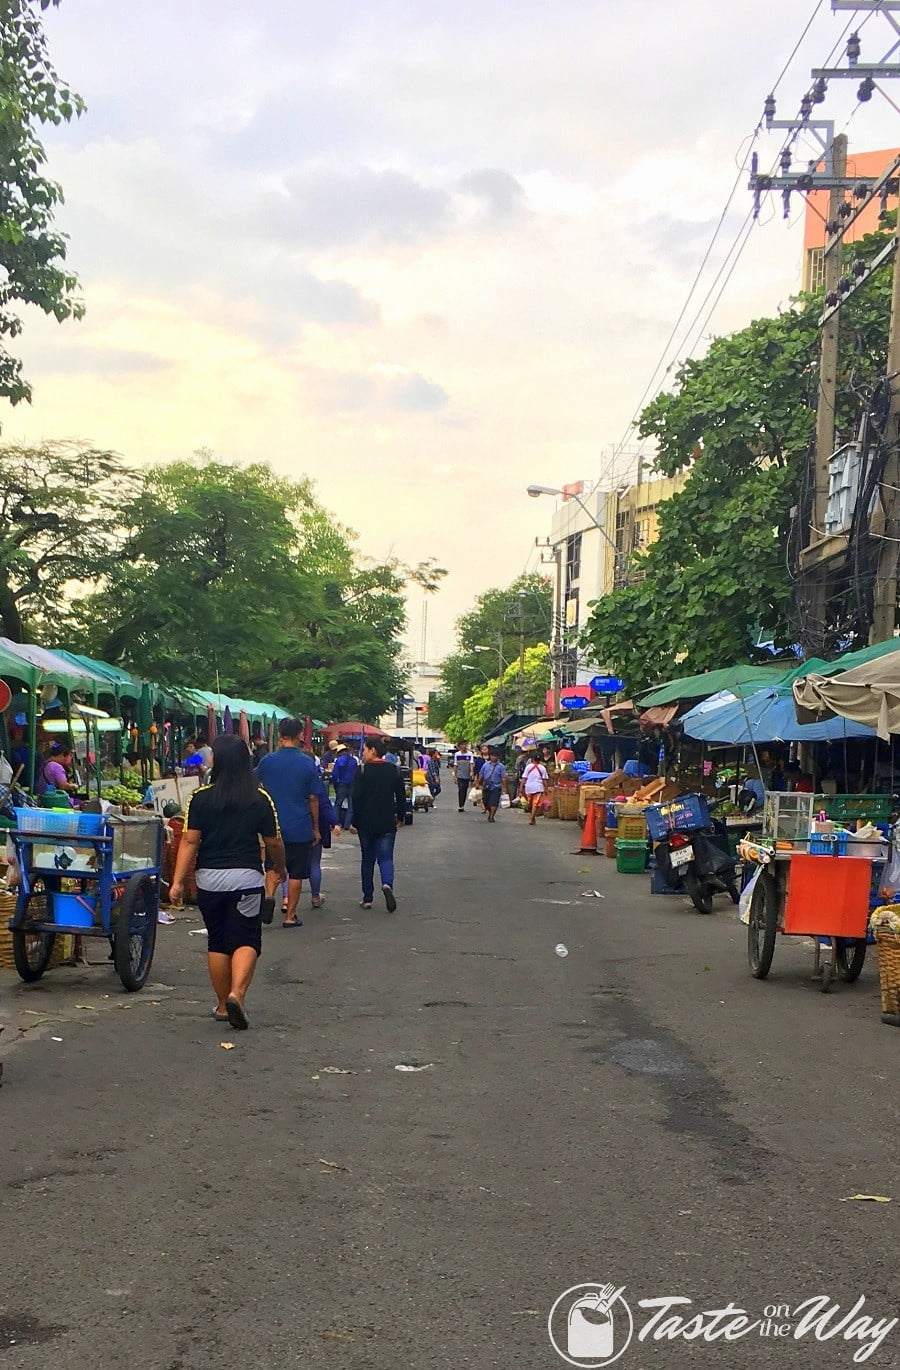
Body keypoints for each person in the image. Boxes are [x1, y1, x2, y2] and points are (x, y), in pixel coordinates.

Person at [169, 733, 286, 1030]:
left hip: (209, 881)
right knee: (246, 938)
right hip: (246, 879)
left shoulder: (200, 798)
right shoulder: (260, 798)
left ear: (217, 762)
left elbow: (189, 842)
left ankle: (222, 1005)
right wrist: (279, 867)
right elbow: (273, 842)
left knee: (218, 940)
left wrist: (177, 881)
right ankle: (237, 994)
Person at [256, 717, 320, 927]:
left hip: (272, 824)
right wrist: (315, 828)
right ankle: (290, 916)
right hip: (299, 825)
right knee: (297, 872)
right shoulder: (307, 763)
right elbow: (313, 798)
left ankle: (269, 896)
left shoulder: (267, 761)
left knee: (272, 866)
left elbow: (256, 786)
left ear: (280, 736)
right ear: (300, 735)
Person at [350, 735, 407, 910]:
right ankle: (387, 884)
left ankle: (367, 898)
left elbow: (356, 799)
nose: (363, 753)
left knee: (367, 859)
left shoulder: (362, 771)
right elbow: (401, 796)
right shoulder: (394, 770)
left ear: (372, 750)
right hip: (386, 821)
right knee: (386, 857)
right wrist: (401, 816)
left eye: (365, 749)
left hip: (366, 822)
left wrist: (354, 821)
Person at [309, 769, 339, 909]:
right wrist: (334, 822)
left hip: (291, 825)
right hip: (314, 827)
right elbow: (325, 804)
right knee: (315, 862)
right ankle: (315, 896)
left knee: (289, 864)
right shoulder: (315, 782)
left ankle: (286, 898)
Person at [330, 743, 359, 830]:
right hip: (352, 784)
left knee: (337, 804)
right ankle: (347, 825)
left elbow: (335, 774)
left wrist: (335, 783)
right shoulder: (354, 760)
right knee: (351, 806)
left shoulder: (339, 760)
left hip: (341, 784)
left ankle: (336, 824)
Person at [520, 752, 549, 825]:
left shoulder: (528, 767)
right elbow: (544, 780)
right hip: (538, 788)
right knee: (535, 804)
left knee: (530, 804)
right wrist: (546, 789)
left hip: (529, 787)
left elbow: (524, 778)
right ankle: (532, 818)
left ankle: (532, 818)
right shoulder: (542, 768)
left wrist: (521, 788)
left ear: (532, 759)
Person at [479, 747, 506, 822]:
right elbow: (481, 774)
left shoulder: (501, 767)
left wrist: (504, 788)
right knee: (486, 801)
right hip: (486, 786)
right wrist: (477, 783)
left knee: (494, 802)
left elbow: (503, 778)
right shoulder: (486, 765)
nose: (494, 757)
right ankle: (490, 811)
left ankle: (492, 816)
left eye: (495, 756)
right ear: (490, 756)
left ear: (498, 757)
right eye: (492, 755)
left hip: (496, 787)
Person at [452, 740, 475, 812]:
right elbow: (455, 765)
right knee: (461, 789)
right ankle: (460, 805)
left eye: (465, 744)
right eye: (462, 745)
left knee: (465, 790)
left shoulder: (470, 754)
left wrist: (471, 772)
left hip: (467, 775)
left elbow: (471, 764)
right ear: (459, 746)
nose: (464, 746)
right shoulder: (457, 754)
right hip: (459, 774)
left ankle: (462, 804)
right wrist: (455, 776)